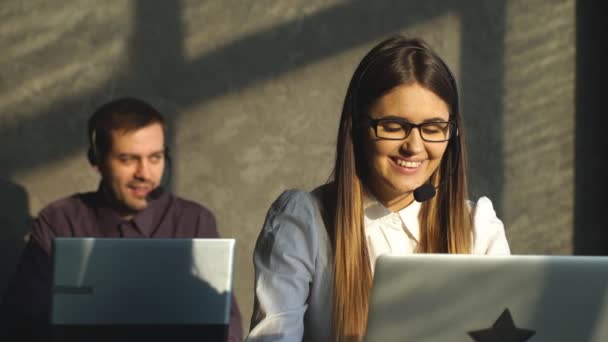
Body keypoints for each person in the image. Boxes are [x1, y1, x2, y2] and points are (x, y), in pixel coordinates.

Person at [246, 35, 510, 342]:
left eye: (433, 129)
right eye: (394, 126)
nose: (414, 146)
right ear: (357, 126)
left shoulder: (478, 227)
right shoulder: (304, 222)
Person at [0, 97, 243, 341]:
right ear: (97, 161)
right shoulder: (58, 221)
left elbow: (226, 328)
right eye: (128, 159)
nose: (145, 174)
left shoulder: (195, 220)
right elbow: (21, 323)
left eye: (155, 158)